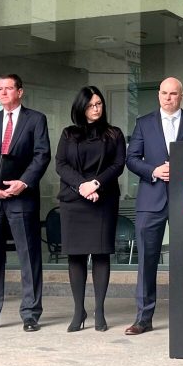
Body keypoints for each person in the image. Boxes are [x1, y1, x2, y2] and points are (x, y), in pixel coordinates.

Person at [124, 76, 183, 335]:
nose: (167, 98)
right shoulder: (143, 123)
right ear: (158, 94)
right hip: (151, 200)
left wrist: (181, 168)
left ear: (182, 96)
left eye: (173, 93)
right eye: (163, 93)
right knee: (146, 261)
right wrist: (154, 171)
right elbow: (131, 159)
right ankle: (143, 318)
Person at [0, 73, 51, 333]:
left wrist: (23, 183)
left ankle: (30, 314)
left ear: (20, 91)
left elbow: (42, 155)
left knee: (29, 256)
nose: (2, 93)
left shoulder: (35, 119)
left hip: (22, 198)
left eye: (8, 88)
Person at [54, 86, 126, 332]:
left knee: (100, 254)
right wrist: (82, 186)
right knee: (75, 256)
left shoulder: (114, 133)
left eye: (99, 104)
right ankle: (78, 311)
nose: (96, 109)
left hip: (103, 200)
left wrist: (95, 184)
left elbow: (118, 164)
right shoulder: (69, 133)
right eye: (91, 105)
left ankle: (100, 311)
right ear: (81, 108)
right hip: (74, 201)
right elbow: (61, 165)